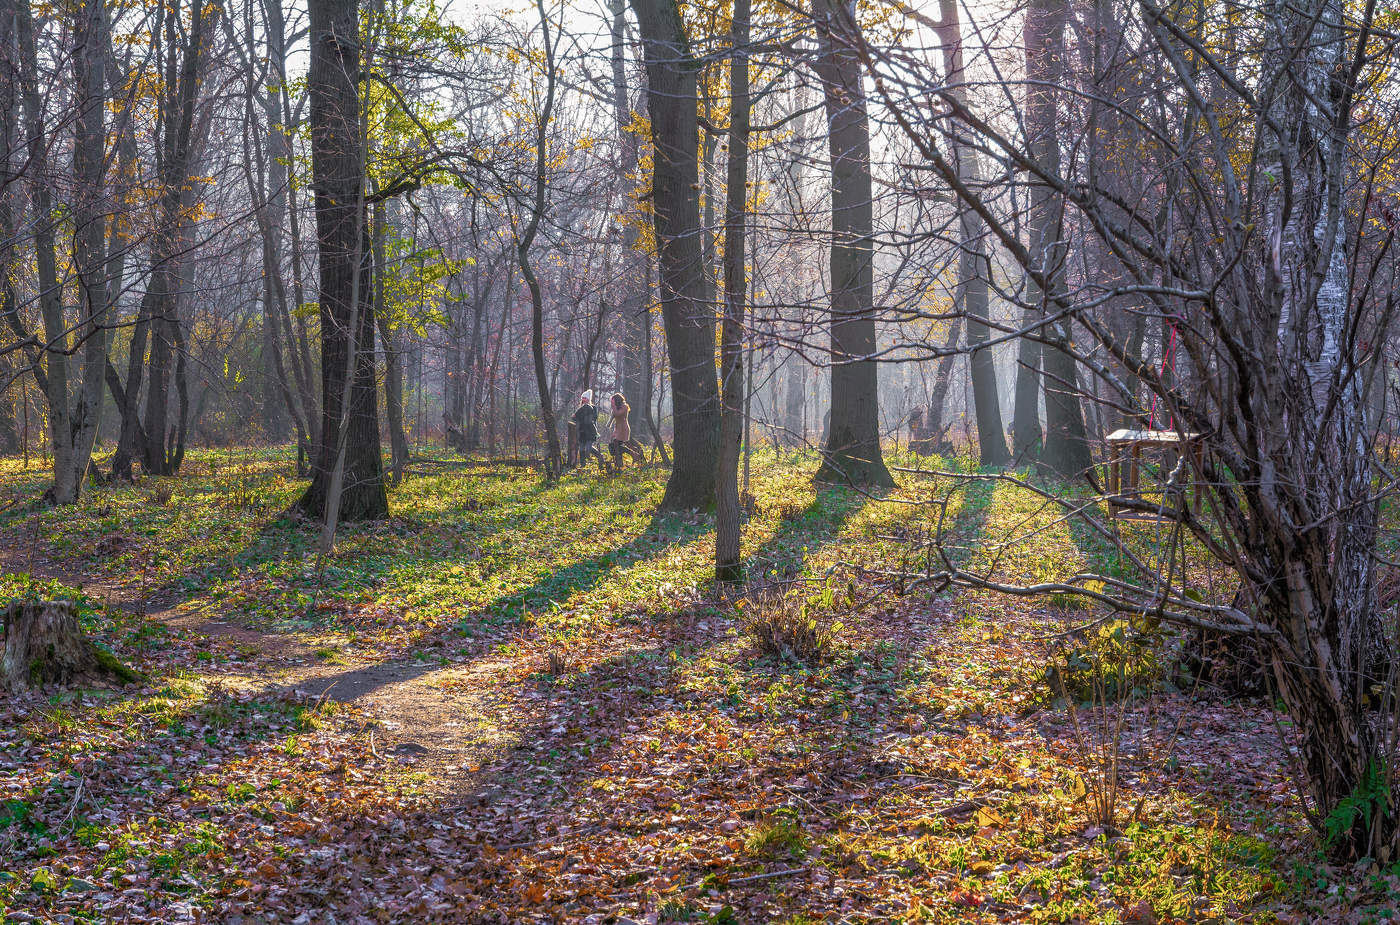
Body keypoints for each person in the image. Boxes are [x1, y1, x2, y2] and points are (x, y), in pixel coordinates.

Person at [608, 392, 646, 470]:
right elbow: (612, 418)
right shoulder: (616, 408)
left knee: (618, 445)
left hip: (623, 429)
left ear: (617, 400)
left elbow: (618, 414)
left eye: (613, 401)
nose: (612, 403)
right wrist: (612, 430)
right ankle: (623, 461)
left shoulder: (624, 406)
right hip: (618, 429)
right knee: (617, 446)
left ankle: (633, 455)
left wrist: (613, 406)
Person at [572, 390, 607, 472]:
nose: (583, 399)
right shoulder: (580, 408)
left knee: (589, 448)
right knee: (581, 449)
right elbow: (574, 417)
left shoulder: (593, 408)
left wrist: (587, 419)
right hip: (582, 432)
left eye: (585, 398)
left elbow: (594, 419)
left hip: (590, 432)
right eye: (582, 398)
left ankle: (599, 456)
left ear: (588, 399)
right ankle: (583, 465)